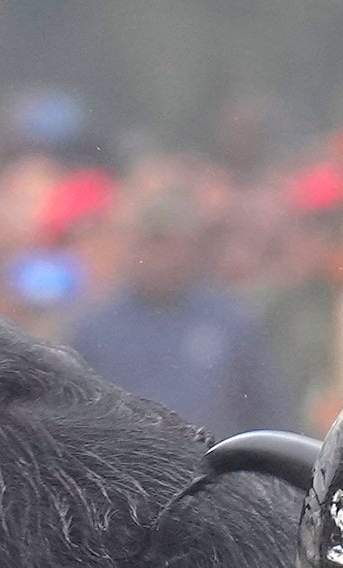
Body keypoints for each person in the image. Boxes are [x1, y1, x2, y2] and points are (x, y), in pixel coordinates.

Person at [59, 173, 289, 433]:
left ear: (192, 246)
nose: (159, 258)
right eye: (149, 245)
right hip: (126, 468)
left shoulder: (230, 323)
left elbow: (265, 413)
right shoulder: (94, 329)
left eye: (169, 245)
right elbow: (73, 419)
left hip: (214, 466)